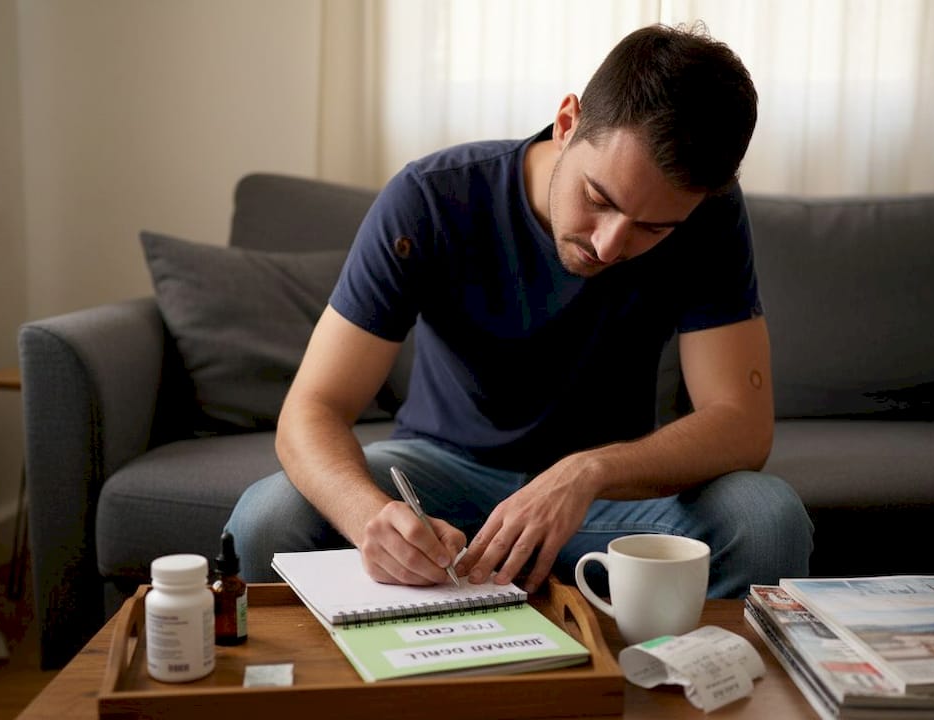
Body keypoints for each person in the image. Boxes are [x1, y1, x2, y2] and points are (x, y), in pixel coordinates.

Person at [226, 23, 812, 598]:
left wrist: (586, 472)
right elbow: (312, 408)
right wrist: (368, 518)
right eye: (598, 199)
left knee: (766, 521)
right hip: (437, 478)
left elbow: (742, 423)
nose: (609, 245)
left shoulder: (710, 216)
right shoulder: (431, 198)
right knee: (267, 519)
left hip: (608, 494)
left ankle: (678, 684)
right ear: (567, 123)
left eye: (653, 228)